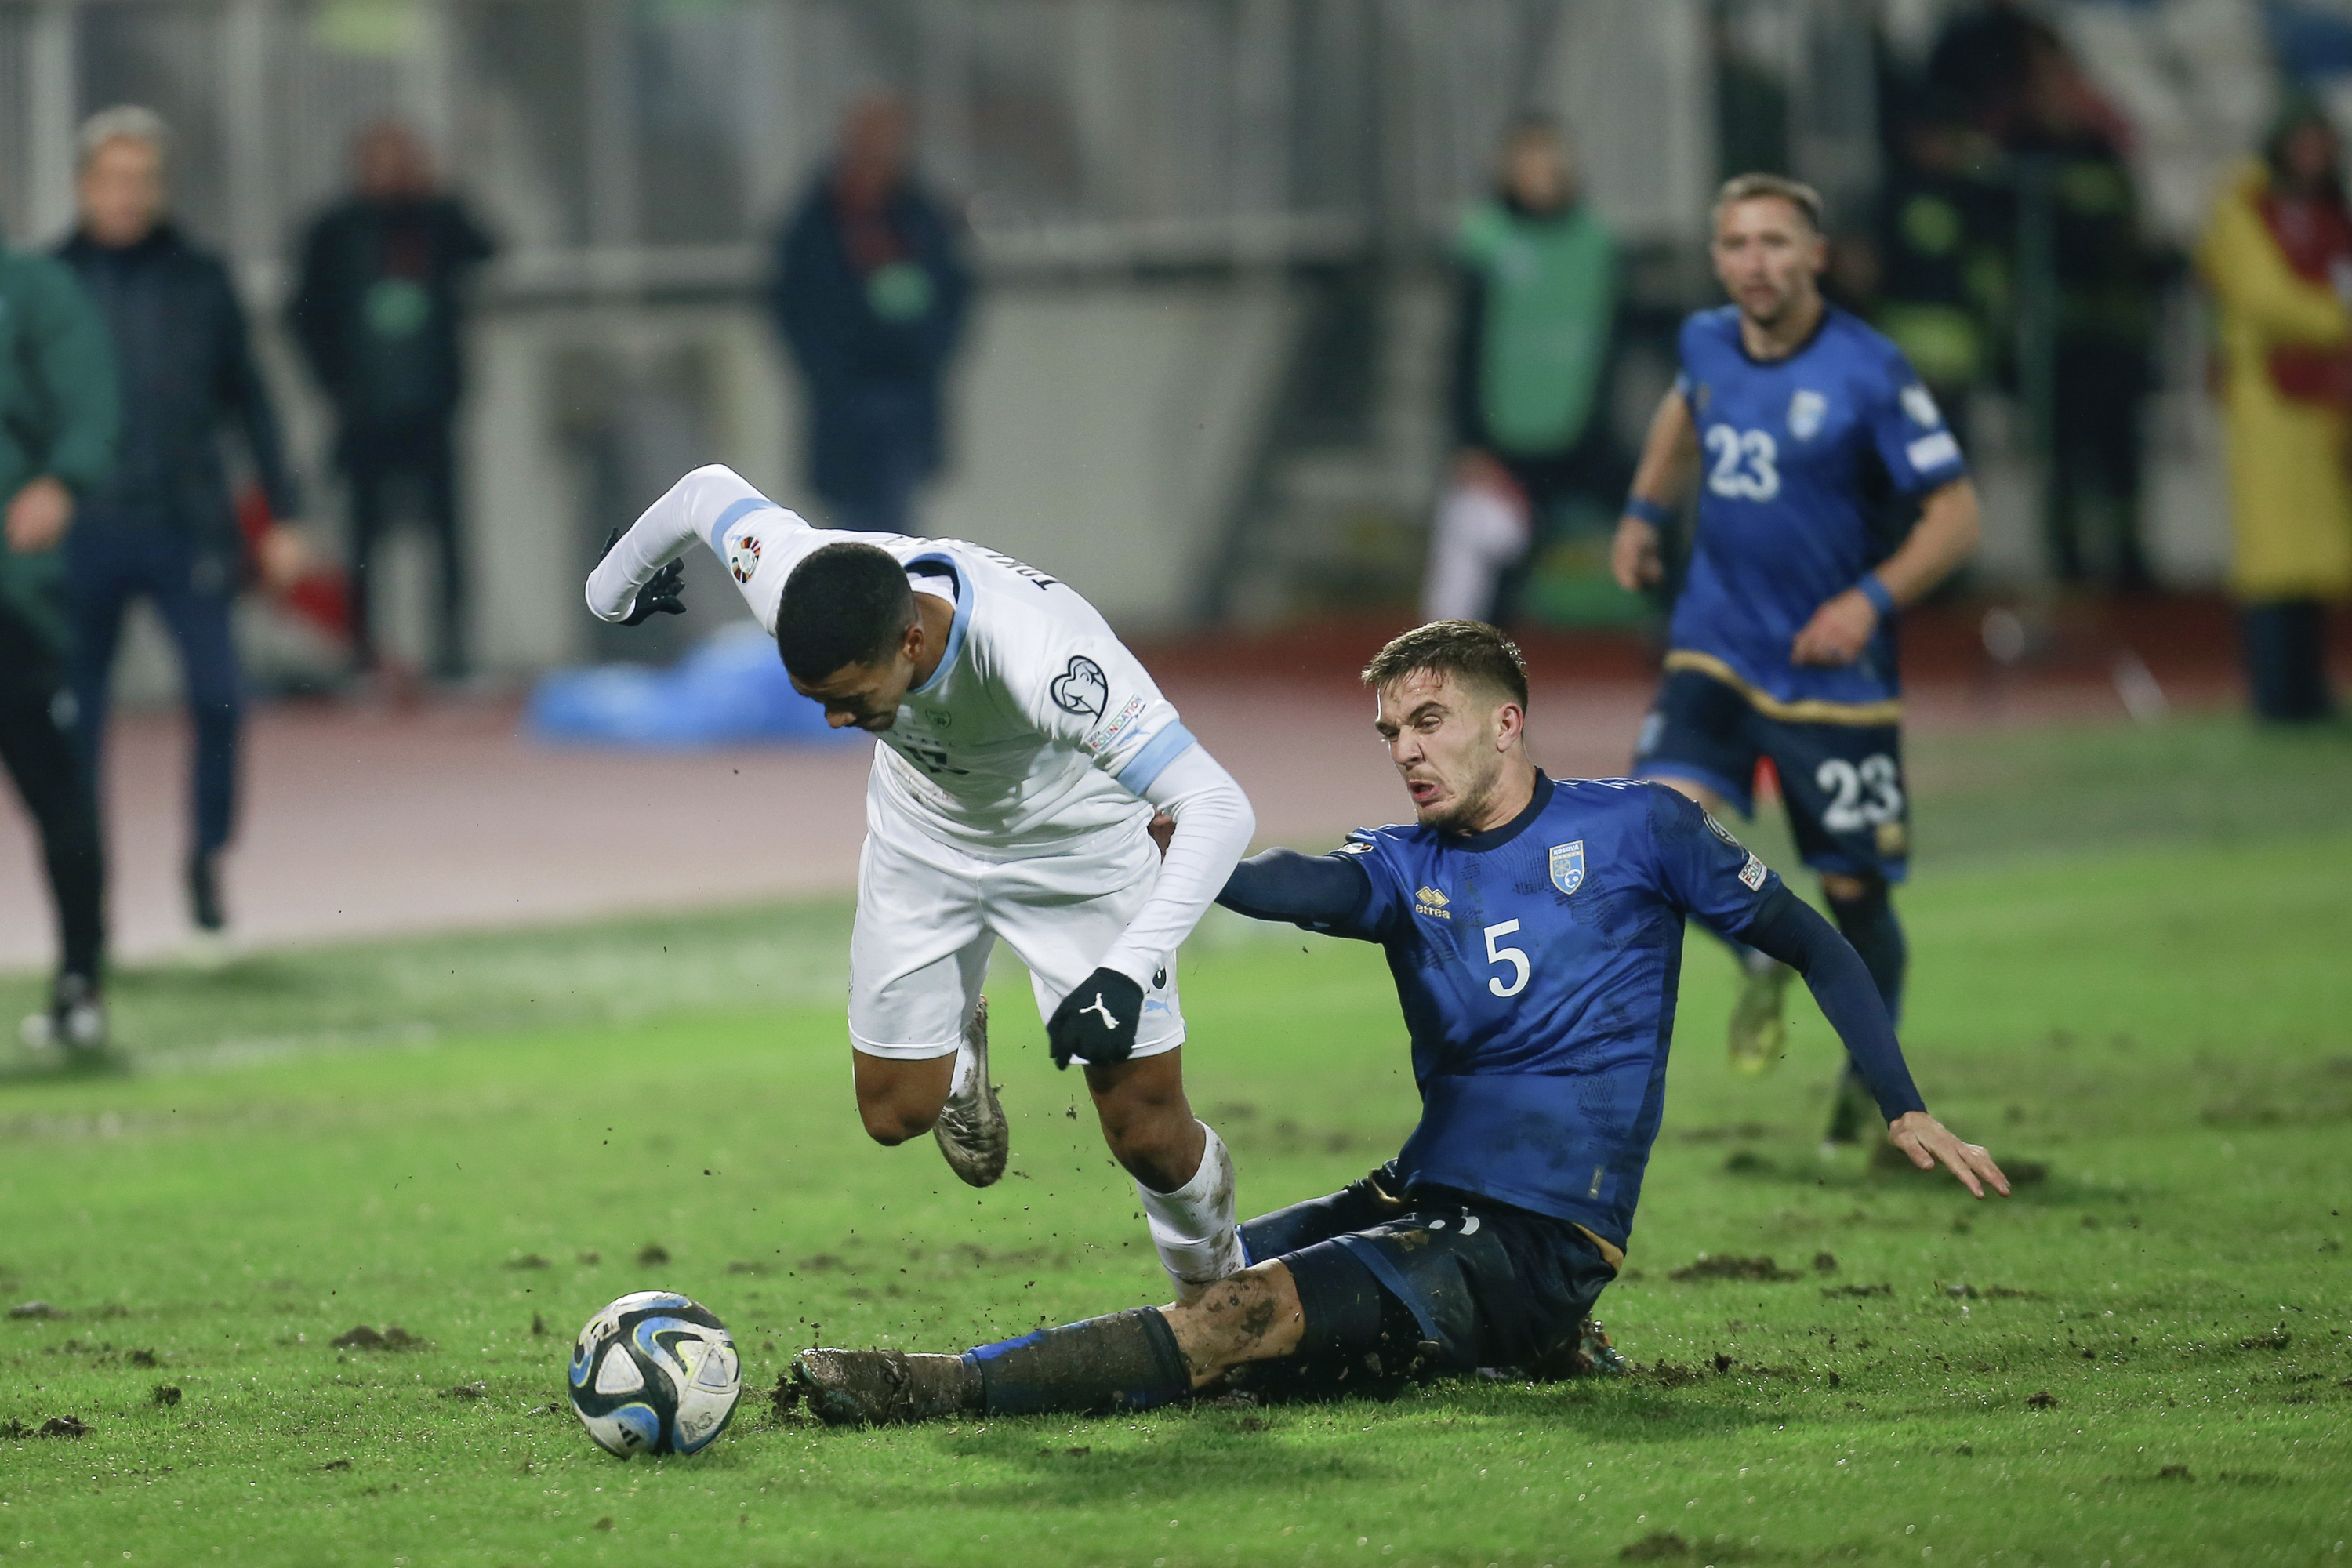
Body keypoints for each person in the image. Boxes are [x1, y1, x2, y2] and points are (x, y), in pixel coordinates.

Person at [786, 621, 2008, 1425]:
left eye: (1427, 725)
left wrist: (1902, 1101)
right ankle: (1527, 1350)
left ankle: (933, 1389)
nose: (1406, 753)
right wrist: (1151, 824)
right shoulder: (1399, 865)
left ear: (1505, 721)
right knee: (1221, 1261)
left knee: (1235, 1321)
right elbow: (1281, 883)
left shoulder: (1643, 832)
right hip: (1418, 1196)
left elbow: (1814, 941)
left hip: (1536, 1236)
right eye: (1389, 735)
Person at [586, 463, 1256, 1299]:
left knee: (1146, 1132)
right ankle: (959, 1037)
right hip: (923, 836)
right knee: (894, 1113)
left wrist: (1130, 963)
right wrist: (609, 595)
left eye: (848, 698)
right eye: (815, 699)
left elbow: (1219, 806)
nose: (833, 720)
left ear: (910, 643)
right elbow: (704, 492)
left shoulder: (1047, 657)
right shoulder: (803, 577)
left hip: (1075, 852)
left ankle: (1224, 1297)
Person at [1609, 174, 1981, 1146]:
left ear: (1816, 256)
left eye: (1775, 243)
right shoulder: (1704, 341)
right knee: (1655, 834)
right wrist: (1648, 509)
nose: (1754, 263)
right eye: (1736, 244)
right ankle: (1761, 957)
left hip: (1832, 677)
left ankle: (1870, 1086)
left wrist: (1869, 599)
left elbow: (1957, 516)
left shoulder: (1869, 370)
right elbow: (1682, 412)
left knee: (1856, 896)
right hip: (1715, 648)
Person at [57, 107, 305, 938]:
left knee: (219, 695)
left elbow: (252, 404)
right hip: (80, 531)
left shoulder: (202, 279)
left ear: (160, 188)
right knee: (72, 719)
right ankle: (83, 884)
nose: (127, 196)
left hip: (184, 525)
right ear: (84, 187)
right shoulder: (46, 282)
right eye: (112, 179)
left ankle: (205, 854)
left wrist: (283, 515)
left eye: (142, 180)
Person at [290, 120, 495, 682]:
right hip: (364, 412)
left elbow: (490, 249)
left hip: (431, 407)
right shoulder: (333, 231)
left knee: (448, 537)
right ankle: (361, 656)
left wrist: (443, 194)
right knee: (362, 539)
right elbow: (302, 312)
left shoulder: (434, 221)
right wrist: (333, 382)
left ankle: (453, 654)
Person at [2195, 97, 2352, 724]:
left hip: (2325, 402)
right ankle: (2277, 694)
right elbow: (2263, 298)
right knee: (2272, 555)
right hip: (2269, 400)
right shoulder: (2245, 209)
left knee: (2320, 557)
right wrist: (2338, 321)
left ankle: (2309, 688)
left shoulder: (2331, 212)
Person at [1428, 115, 1619, 626]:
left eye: (1547, 160)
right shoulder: (1487, 240)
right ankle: (1461, 664)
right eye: (1525, 162)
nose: (1538, 174)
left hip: (1577, 430)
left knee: (1654, 516)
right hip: (1504, 433)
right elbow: (1464, 347)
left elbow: (1609, 341)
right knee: (1487, 545)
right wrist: (1468, 439)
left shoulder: (1594, 244)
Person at [0, 237, 118, 1051]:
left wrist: (63, 477)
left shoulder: (33, 290)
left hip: (13, 594)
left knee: (58, 792)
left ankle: (81, 980)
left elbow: (89, 403)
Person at [770, 94, 971, 535]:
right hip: (844, 400)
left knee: (896, 524)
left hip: (907, 394)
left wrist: (925, 354)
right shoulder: (816, 220)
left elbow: (954, 295)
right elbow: (791, 303)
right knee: (853, 526)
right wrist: (826, 368)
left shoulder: (921, 216)